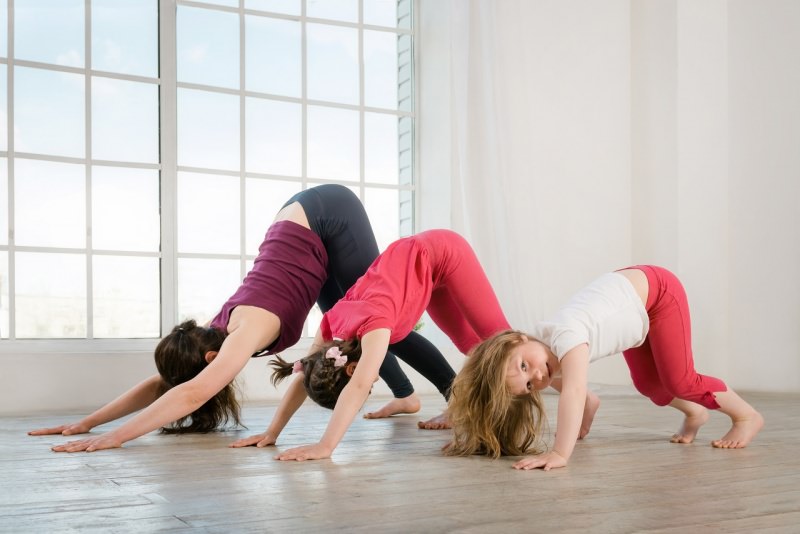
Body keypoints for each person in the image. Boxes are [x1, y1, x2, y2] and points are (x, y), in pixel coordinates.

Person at [29, 184, 456, 452]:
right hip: (302, 229)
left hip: (328, 214)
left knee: (384, 320)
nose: (209, 383)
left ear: (211, 359)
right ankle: (406, 394)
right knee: (347, 329)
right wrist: (88, 422)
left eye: (204, 374)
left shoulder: (243, 332)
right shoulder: (209, 334)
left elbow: (192, 393)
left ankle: (455, 397)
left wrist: (114, 438)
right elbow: (163, 384)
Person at [445, 265, 765, 470]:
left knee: (680, 380)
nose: (538, 376)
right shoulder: (541, 350)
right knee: (649, 385)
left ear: (517, 338)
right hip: (635, 311)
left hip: (657, 294)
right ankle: (696, 413)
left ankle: (746, 415)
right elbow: (581, 393)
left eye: (525, 366)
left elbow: (574, 390)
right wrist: (587, 406)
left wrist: (560, 453)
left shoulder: (565, 335)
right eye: (529, 385)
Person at [234, 229, 511, 460]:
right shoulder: (331, 323)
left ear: (352, 369)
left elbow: (356, 386)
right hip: (424, 269)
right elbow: (305, 371)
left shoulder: (374, 325)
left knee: (503, 346)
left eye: (369, 387)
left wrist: (325, 446)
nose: (372, 382)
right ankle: (478, 411)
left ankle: (550, 371)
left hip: (445, 252)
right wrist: (273, 432)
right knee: (472, 348)